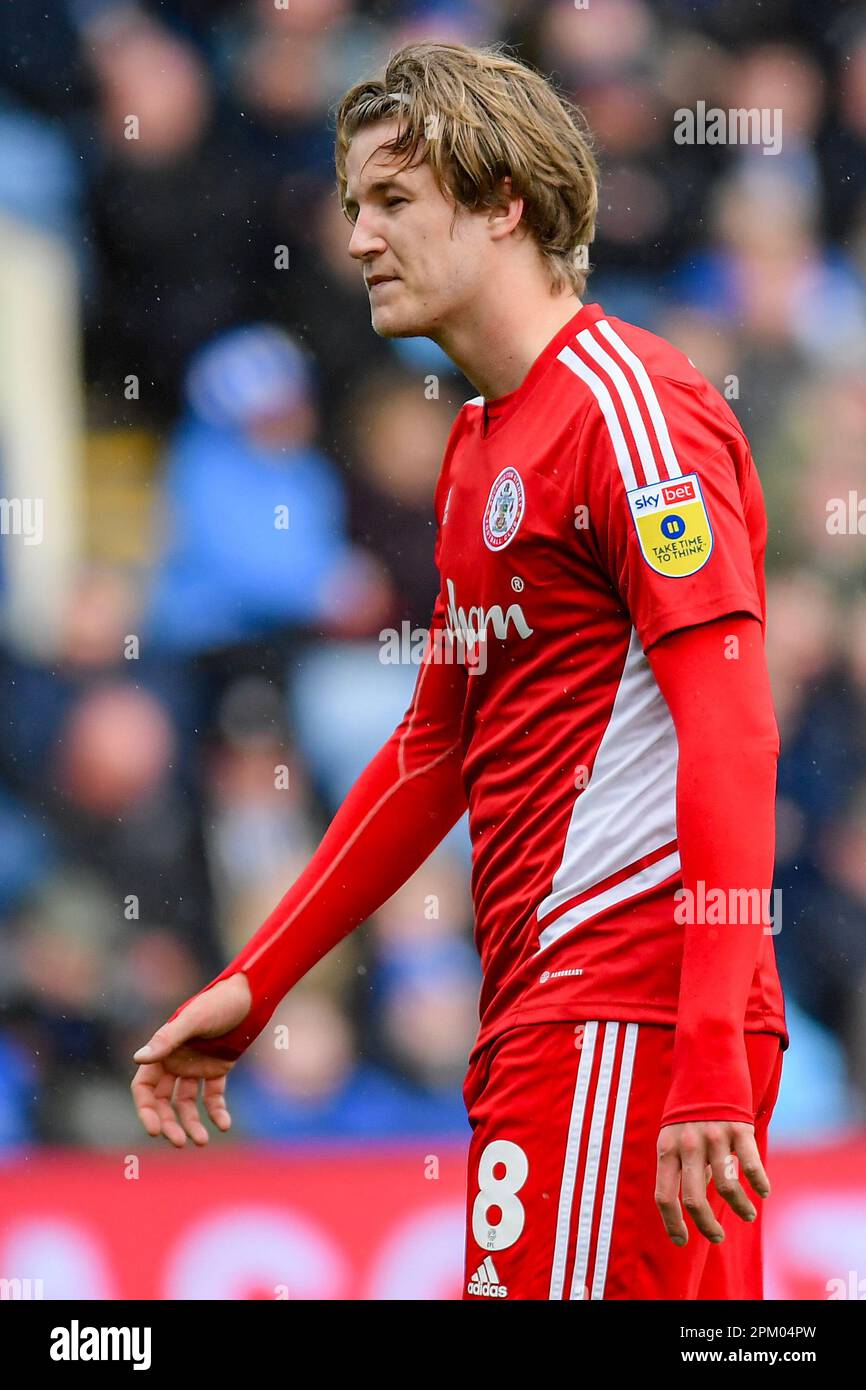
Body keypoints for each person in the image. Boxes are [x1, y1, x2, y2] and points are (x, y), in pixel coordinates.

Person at [131, 40, 788, 1302]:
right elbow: (434, 753)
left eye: (391, 200)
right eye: (349, 208)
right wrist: (257, 978)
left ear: (504, 205)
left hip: (629, 1023)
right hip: (555, 1024)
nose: (359, 239)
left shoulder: (629, 411)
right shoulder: (480, 444)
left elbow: (730, 731)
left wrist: (704, 1053)